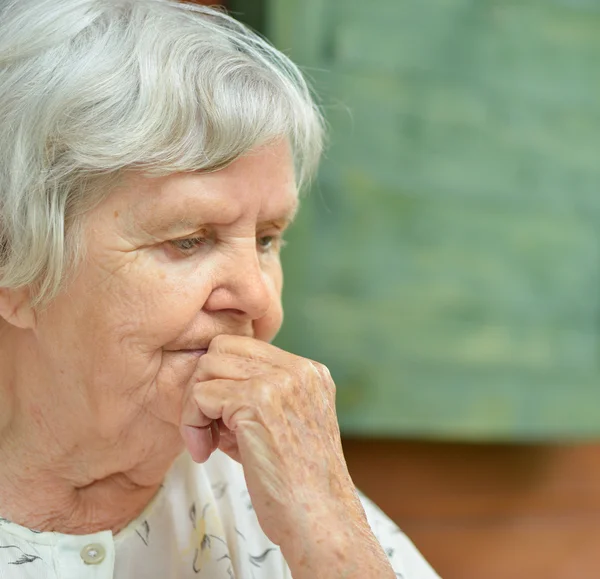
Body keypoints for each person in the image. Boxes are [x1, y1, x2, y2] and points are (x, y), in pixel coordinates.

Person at [0, 1, 440, 577]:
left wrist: (330, 533)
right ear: (16, 264)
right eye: (189, 240)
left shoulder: (295, 503)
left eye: (266, 238)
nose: (259, 300)